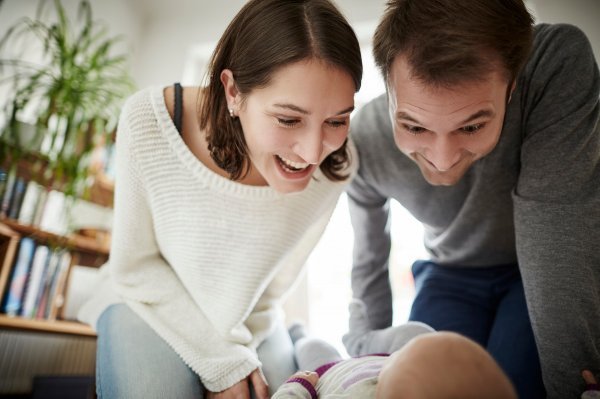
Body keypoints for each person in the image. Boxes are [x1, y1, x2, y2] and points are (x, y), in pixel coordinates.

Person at [77, 0, 363, 398]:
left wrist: (237, 351)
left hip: (249, 319)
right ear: (232, 91)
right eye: (288, 119)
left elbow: (269, 292)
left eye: (336, 120)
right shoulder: (150, 120)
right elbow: (134, 268)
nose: (313, 152)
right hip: (143, 298)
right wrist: (223, 362)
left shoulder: (336, 168)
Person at [344, 0, 599, 398]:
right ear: (388, 92)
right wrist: (364, 367)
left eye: (472, 125)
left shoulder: (553, 63)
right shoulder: (365, 143)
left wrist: (578, 384)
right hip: (449, 273)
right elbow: (369, 266)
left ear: (512, 87)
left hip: (535, 274)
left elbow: (557, 237)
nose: (442, 159)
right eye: (414, 126)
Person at [274, 320, 516, 398]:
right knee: (418, 331)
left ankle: (297, 334)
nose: (394, 357)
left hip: (327, 372)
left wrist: (298, 385)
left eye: (395, 361)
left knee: (314, 346)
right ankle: (363, 340)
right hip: (368, 359)